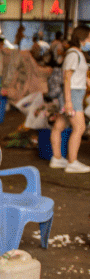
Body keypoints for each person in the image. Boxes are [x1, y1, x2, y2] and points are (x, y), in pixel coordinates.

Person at [49, 25, 90, 173]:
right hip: (72, 95)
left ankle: (57, 158)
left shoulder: (76, 54)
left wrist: (86, 81)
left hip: (71, 94)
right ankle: (72, 162)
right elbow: (67, 78)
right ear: (82, 38)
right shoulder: (74, 54)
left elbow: (76, 75)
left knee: (59, 126)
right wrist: (68, 102)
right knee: (80, 127)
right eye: (89, 37)